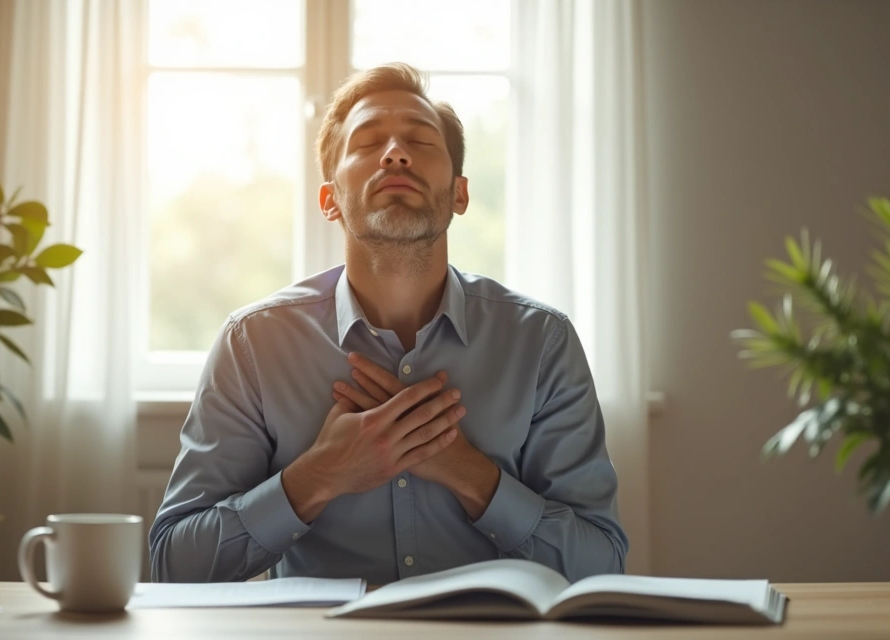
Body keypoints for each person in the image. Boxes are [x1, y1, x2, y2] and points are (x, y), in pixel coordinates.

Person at [149, 62, 627, 586]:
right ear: (329, 199)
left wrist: (468, 473)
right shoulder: (253, 344)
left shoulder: (542, 343)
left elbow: (600, 565)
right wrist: (318, 475)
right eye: (368, 142)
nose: (396, 153)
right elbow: (174, 565)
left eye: (421, 142)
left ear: (460, 193)